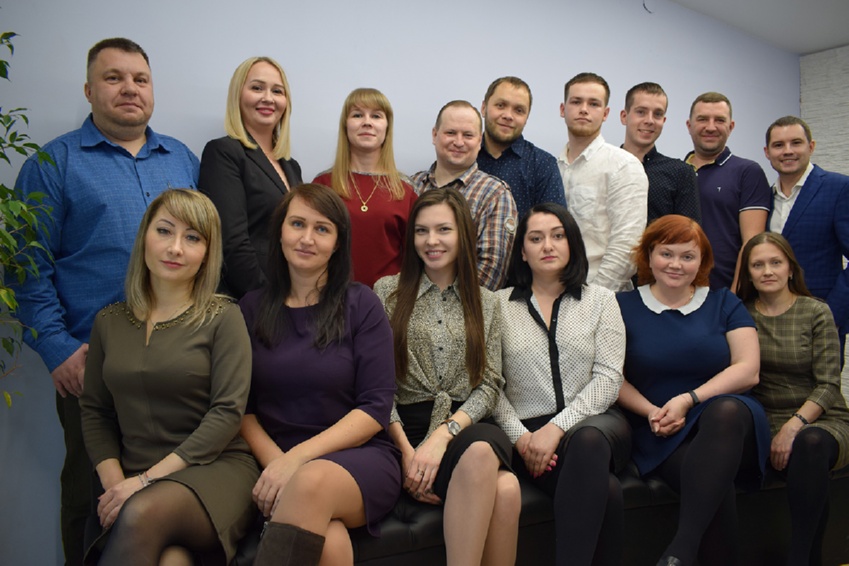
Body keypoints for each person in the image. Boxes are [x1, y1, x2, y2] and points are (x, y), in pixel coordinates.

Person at [11, 37, 199, 566]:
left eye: (140, 79)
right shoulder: (53, 163)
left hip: (181, 360)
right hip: (93, 364)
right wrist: (56, 349)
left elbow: (208, 254)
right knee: (90, 494)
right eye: (114, 78)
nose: (129, 89)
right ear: (89, 90)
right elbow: (26, 268)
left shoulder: (183, 159)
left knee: (170, 488)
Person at [80, 189, 258, 565]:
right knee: (171, 560)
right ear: (145, 236)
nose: (175, 248)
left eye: (192, 238)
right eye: (164, 231)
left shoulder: (224, 317)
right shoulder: (108, 322)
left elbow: (227, 413)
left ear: (207, 253)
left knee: (142, 511)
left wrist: (144, 484)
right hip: (131, 474)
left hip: (214, 470)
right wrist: (116, 485)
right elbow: (95, 411)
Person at [239, 184, 401, 566]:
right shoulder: (250, 308)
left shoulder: (363, 304)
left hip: (359, 458)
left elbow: (376, 407)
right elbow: (242, 409)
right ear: (280, 231)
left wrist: (296, 462)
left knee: (309, 483)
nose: (307, 238)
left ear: (337, 243)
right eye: (297, 224)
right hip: (274, 455)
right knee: (330, 543)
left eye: (322, 229)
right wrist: (278, 463)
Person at [374, 188, 520, 566]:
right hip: (405, 429)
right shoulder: (387, 292)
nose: (432, 241)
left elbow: (489, 383)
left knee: (482, 451)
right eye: (422, 231)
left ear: (463, 235)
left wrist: (443, 436)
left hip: (466, 425)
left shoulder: (487, 301)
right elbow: (378, 384)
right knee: (506, 489)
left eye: (443, 230)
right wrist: (407, 453)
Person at [616, 215, 770, 566]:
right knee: (712, 484)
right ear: (648, 255)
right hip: (661, 429)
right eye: (666, 253)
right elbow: (612, 377)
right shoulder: (621, 306)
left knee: (725, 411)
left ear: (702, 262)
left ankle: (680, 551)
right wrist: (652, 412)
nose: (676, 264)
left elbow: (748, 369)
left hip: (727, 422)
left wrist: (689, 399)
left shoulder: (723, 303)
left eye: (688, 256)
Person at [494, 203, 629, 566]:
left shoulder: (601, 300)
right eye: (536, 238)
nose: (548, 246)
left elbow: (609, 378)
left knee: (588, 441)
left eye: (558, 236)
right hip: (528, 433)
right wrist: (522, 439)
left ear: (572, 244)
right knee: (607, 491)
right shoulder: (497, 306)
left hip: (596, 422)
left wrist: (556, 428)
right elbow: (490, 385)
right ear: (523, 251)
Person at [737, 232, 849, 565]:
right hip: (767, 417)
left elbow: (829, 384)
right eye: (758, 265)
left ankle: (799, 558)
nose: (767, 271)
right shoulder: (741, 316)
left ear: (790, 268)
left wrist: (794, 426)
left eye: (776, 262)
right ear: (748, 274)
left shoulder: (816, 311)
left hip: (822, 417)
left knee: (809, 444)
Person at [199, 56, 303, 299]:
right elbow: (231, 243)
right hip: (249, 299)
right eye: (257, 88)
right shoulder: (223, 153)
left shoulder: (291, 166)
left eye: (277, 91)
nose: (268, 98)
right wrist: (266, 301)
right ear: (238, 95)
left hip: (289, 293)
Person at [313, 87, 417, 287]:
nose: (367, 122)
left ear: (387, 127)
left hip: (388, 300)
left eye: (376, 116)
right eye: (358, 115)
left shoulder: (406, 189)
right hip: (331, 295)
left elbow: (414, 259)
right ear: (345, 125)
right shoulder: (323, 184)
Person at [763, 116, 849, 358]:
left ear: (811, 146)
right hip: (769, 322)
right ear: (767, 152)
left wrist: (831, 316)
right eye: (778, 145)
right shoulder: (764, 198)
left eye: (796, 143)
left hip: (820, 321)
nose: (787, 151)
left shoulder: (839, 188)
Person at [411, 100, 518, 291]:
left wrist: (442, 304)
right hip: (407, 299)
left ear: (479, 141)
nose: (458, 142)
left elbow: (491, 269)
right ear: (435, 135)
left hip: (467, 305)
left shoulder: (495, 194)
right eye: (451, 133)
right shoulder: (410, 186)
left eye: (468, 135)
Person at [557, 72, 648, 292]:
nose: (584, 109)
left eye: (594, 104)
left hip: (602, 296)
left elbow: (627, 247)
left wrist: (592, 299)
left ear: (606, 113)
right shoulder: (551, 167)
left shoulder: (623, 166)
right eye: (576, 101)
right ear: (562, 109)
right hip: (551, 292)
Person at [684, 92, 770, 290]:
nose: (710, 127)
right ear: (689, 125)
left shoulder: (748, 172)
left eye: (719, 120)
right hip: (679, 291)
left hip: (725, 291)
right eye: (702, 119)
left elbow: (752, 244)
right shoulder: (677, 172)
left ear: (731, 127)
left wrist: (734, 295)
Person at [476, 76, 567, 219]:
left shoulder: (543, 165)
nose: (508, 116)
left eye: (518, 110)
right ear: (483, 108)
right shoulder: (463, 156)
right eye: (500, 105)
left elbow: (555, 225)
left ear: (526, 118)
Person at [619, 82, 700, 225]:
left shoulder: (680, 173)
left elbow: (688, 232)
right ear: (624, 116)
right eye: (641, 112)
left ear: (664, 120)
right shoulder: (604, 165)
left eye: (657, 114)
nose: (649, 120)